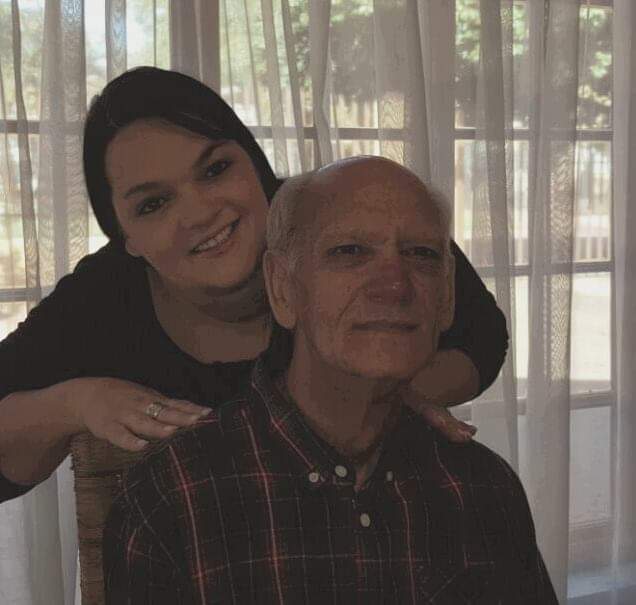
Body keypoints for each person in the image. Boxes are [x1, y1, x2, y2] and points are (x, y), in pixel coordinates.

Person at [0, 67, 508, 504]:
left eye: (215, 170)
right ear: (124, 237)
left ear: (255, 164)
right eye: (154, 204)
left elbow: (481, 334)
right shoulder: (103, 294)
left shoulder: (336, 213)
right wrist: (77, 402)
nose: (200, 213)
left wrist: (391, 396)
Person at [103, 156, 556, 604]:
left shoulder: (483, 488)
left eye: (421, 254)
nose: (394, 285)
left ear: (447, 296)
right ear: (282, 288)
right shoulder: (174, 497)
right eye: (349, 252)